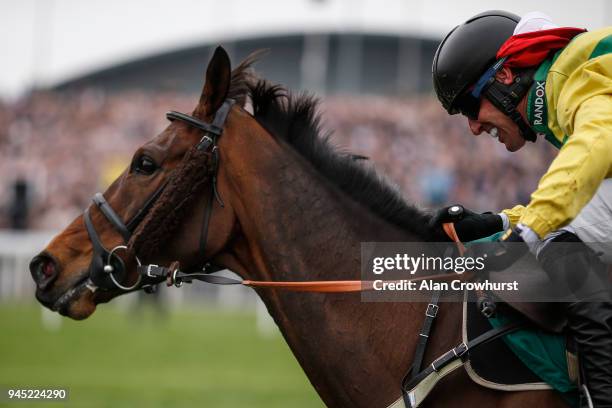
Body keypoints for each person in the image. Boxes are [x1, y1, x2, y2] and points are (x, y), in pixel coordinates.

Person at [430, 10, 612, 407]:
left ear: (506, 77)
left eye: (469, 107)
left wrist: (524, 234)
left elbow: (599, 142)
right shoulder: (567, 82)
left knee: (561, 245)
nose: (473, 127)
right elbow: (584, 194)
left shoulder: (575, 74)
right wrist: (501, 222)